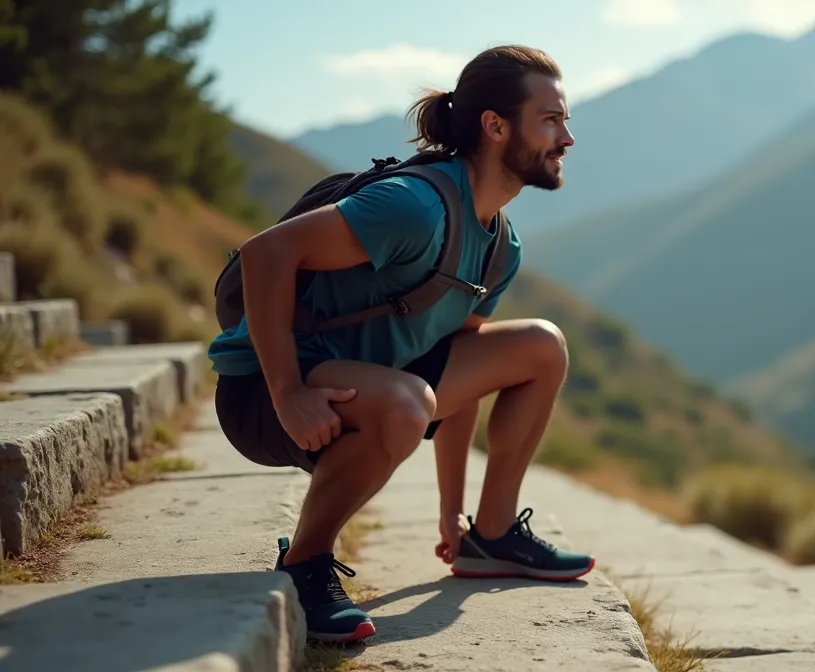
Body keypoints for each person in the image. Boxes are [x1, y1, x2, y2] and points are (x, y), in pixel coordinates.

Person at [205, 44, 593, 644]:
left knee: (540, 345)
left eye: (565, 120)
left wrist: (451, 510)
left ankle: (489, 536)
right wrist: (286, 393)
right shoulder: (414, 207)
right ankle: (306, 564)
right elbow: (265, 252)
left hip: (379, 386)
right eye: (550, 120)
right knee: (408, 401)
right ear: (494, 126)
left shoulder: (500, 248)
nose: (567, 137)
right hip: (266, 396)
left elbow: (454, 375)